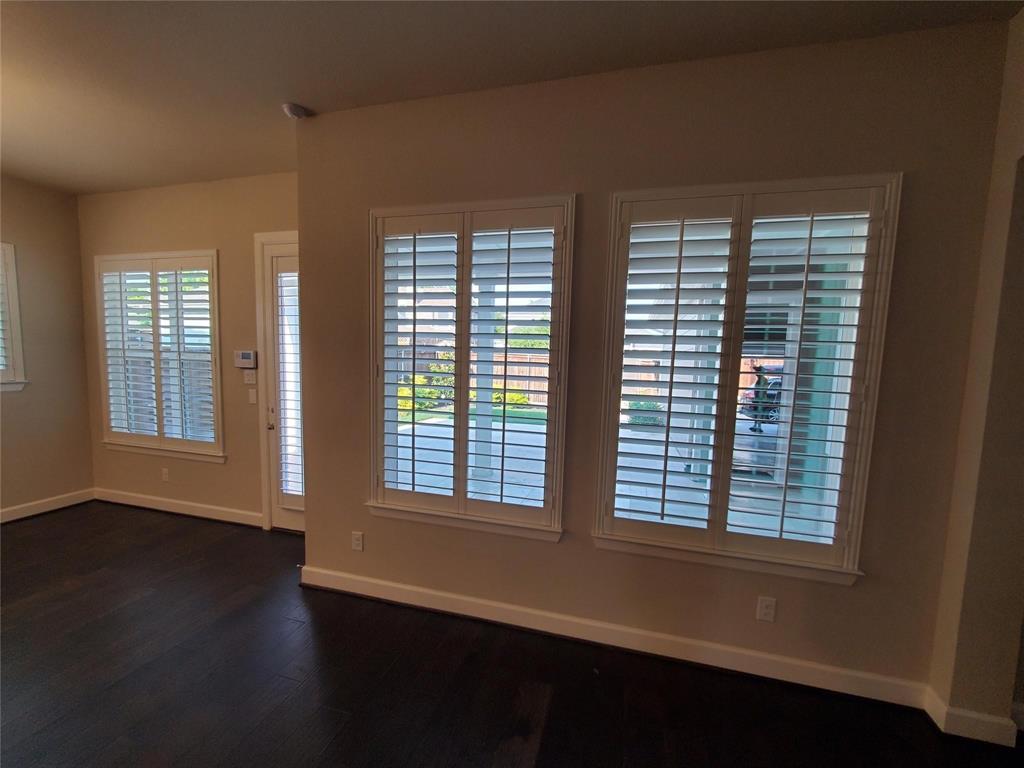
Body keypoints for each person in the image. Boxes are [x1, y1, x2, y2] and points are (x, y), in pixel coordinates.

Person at [750, 364, 770, 433]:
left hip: (761, 399)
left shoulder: (763, 380)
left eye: (757, 372)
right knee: (757, 413)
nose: (756, 373)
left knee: (759, 413)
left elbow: (764, 390)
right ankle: (755, 426)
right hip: (758, 399)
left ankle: (759, 427)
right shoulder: (759, 380)